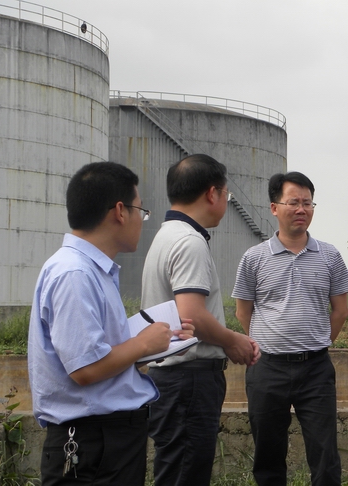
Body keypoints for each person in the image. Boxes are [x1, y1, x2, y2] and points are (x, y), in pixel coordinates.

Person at [28, 162, 194, 486]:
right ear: (120, 211)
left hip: (107, 440)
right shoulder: (74, 273)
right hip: (92, 444)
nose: (141, 220)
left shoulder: (93, 271)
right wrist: (142, 344)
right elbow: (85, 369)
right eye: (141, 211)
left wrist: (159, 345)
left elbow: (101, 356)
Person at [141, 154, 260, 486]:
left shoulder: (166, 235)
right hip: (189, 381)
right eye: (226, 194)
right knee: (186, 473)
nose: (225, 201)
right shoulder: (189, 241)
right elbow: (191, 314)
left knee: (174, 470)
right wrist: (233, 341)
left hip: (171, 379)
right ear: (212, 194)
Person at [232, 171, 348, 486]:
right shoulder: (254, 258)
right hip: (267, 368)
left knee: (325, 455)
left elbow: (341, 311)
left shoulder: (330, 255)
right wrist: (271, 340)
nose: (302, 209)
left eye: (307, 203)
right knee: (268, 454)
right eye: (294, 202)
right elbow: (243, 312)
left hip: (316, 369)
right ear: (275, 208)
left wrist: (317, 341)